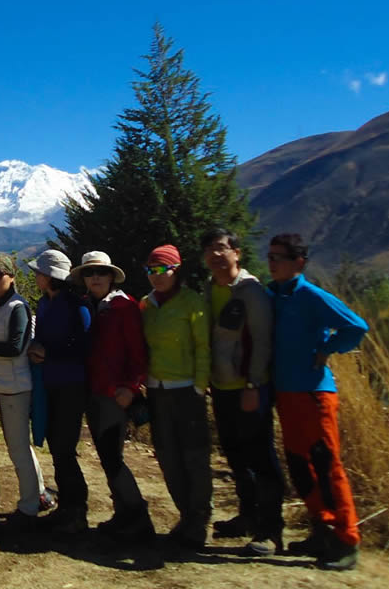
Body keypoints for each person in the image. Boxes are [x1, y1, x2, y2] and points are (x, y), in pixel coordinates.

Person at [266, 233, 368, 571]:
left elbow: (356, 327)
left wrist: (328, 349)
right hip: (286, 393)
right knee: (299, 464)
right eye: (270, 256)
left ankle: (347, 539)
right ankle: (321, 529)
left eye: (279, 257)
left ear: (299, 263)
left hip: (314, 393)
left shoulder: (311, 296)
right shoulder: (273, 296)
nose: (272, 262)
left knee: (327, 465)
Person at [200, 229, 286, 556]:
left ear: (236, 252)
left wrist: (254, 384)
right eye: (209, 249)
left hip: (251, 388)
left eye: (221, 248)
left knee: (262, 458)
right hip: (222, 387)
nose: (215, 255)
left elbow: (263, 341)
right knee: (237, 457)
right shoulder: (211, 290)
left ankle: (271, 531)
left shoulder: (251, 292)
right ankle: (248, 517)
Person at [70, 251, 155, 542]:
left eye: (101, 272)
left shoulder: (123, 307)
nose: (95, 277)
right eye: (90, 273)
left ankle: (138, 517)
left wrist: (130, 387)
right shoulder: (87, 307)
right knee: (108, 456)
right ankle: (124, 515)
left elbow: (138, 352)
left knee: (112, 457)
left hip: (114, 394)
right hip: (92, 391)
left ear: (111, 277)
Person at [140, 244, 212, 550]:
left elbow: (203, 346)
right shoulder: (146, 305)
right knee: (168, 457)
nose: (156, 276)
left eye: (161, 270)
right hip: (156, 391)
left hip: (186, 390)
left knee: (194, 457)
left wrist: (199, 386)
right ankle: (186, 515)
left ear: (176, 269)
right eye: (150, 271)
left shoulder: (191, 302)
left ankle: (199, 521)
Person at [0, 253, 48, 530]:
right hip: (5, 385)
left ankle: (29, 507)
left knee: (17, 448)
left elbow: (16, 346)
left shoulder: (17, 307)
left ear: (11, 276)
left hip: (16, 386)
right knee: (20, 446)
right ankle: (38, 495)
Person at [26, 250, 92, 537]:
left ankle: (77, 511)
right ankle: (67, 508)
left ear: (50, 276)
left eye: (38, 272)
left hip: (72, 385)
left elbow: (84, 347)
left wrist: (48, 352)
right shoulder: (44, 304)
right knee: (57, 447)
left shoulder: (76, 306)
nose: (35, 276)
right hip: (51, 383)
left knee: (65, 448)